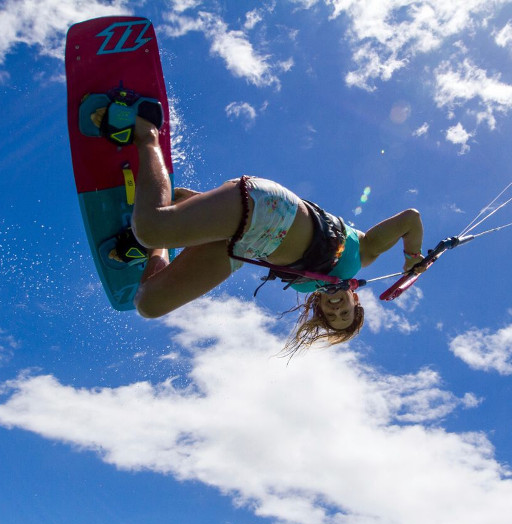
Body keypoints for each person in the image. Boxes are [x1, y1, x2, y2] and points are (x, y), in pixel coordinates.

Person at [94, 106, 424, 353]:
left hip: (243, 247)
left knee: (150, 305)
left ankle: (158, 240)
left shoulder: (307, 286)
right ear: (355, 300)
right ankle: (145, 133)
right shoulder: (364, 253)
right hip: (270, 211)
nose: (337, 308)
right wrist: (412, 256)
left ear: (319, 308)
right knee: (152, 228)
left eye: (332, 314)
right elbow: (411, 218)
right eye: (345, 311)